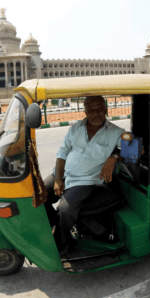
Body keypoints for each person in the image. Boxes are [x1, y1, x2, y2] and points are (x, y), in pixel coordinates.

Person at [44, 96, 124, 255]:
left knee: (65, 209)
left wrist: (114, 157)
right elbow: (62, 153)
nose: (95, 114)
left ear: (106, 109)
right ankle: (55, 225)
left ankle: (62, 242)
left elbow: (137, 150)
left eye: (99, 109)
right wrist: (58, 178)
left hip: (85, 181)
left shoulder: (116, 132)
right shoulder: (76, 128)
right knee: (39, 192)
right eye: (91, 110)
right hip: (64, 173)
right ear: (85, 111)